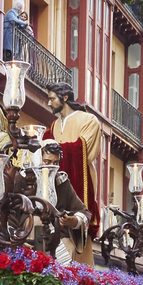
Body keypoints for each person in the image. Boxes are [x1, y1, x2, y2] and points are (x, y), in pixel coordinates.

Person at [45, 82, 102, 258]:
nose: (49, 103)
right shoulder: (53, 126)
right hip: (55, 187)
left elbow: (84, 150)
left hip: (79, 185)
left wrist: (53, 147)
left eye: (52, 99)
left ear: (65, 97)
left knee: (78, 230)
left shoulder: (89, 120)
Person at [32, 141, 91, 263]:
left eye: (55, 163)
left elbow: (84, 212)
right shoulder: (25, 179)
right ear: (38, 159)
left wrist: (73, 220)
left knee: (67, 253)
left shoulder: (62, 183)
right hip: (30, 236)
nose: (51, 167)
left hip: (59, 238)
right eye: (47, 162)